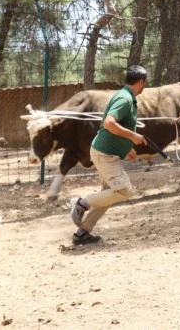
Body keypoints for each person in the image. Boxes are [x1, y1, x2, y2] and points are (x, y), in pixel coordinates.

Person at [69, 65, 147, 245]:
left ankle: (82, 233)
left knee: (108, 194)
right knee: (123, 190)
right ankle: (81, 203)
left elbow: (117, 127)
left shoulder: (125, 96)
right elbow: (110, 123)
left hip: (105, 152)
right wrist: (133, 136)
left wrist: (127, 146)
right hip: (105, 154)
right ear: (141, 82)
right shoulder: (125, 99)